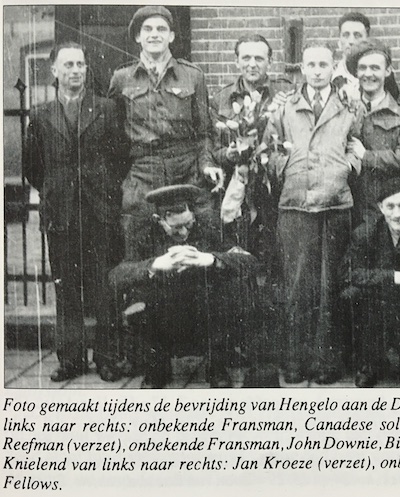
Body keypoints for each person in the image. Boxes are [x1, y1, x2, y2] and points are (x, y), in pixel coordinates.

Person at [24, 42, 128, 382]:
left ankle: (107, 357)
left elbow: (120, 158)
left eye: (80, 64)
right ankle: (70, 359)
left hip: (99, 211)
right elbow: (33, 168)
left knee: (103, 286)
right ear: (54, 70)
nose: (75, 71)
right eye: (67, 64)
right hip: (61, 214)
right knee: (66, 289)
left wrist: (103, 190)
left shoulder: (107, 109)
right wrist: (57, 191)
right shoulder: (40, 116)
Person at [265, 41, 365, 385]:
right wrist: (286, 167)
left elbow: (357, 142)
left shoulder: (349, 105)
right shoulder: (284, 107)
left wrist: (347, 166)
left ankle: (325, 361)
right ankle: (295, 360)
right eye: (311, 65)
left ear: (333, 67)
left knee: (329, 285)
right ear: (302, 69)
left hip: (336, 203)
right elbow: (270, 148)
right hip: (295, 205)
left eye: (324, 64)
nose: (318, 70)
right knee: (296, 285)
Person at [108, 185, 258, 388]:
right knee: (138, 304)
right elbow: (117, 275)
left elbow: (249, 262)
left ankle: (217, 366)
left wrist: (211, 259)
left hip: (203, 308)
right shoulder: (143, 232)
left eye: (188, 223)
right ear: (160, 220)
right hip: (164, 309)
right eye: (176, 228)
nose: (184, 232)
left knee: (228, 291)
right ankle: (157, 368)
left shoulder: (209, 226)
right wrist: (154, 265)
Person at [108, 6, 221, 260]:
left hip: (186, 170)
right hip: (143, 173)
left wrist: (206, 164)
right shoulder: (122, 78)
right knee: (139, 247)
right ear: (138, 36)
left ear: (171, 36)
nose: (154, 34)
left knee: (198, 245)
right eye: (147, 29)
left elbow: (204, 131)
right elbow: (112, 138)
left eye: (161, 29)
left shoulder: (193, 76)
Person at [341, 177, 400, 387]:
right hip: (378, 304)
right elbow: (346, 273)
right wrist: (393, 277)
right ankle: (369, 362)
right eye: (390, 207)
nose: (397, 214)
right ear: (381, 208)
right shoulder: (366, 234)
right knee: (352, 296)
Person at [210, 34, 294, 261]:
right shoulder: (222, 98)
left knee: (275, 248)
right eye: (246, 57)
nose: (252, 64)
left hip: (274, 186)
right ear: (237, 61)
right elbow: (213, 148)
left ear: (270, 62)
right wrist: (230, 155)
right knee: (240, 249)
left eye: (259, 58)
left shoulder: (285, 93)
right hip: (238, 186)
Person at [345, 39, 400, 226]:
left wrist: (367, 156)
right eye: (362, 68)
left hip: (385, 211)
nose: (368, 74)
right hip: (348, 209)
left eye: (375, 68)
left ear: (387, 71)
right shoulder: (343, 109)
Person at [332, 11, 400, 100]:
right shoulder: (330, 73)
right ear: (339, 41)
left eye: (357, 35)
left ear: (367, 40)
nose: (351, 41)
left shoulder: (382, 75)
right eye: (346, 35)